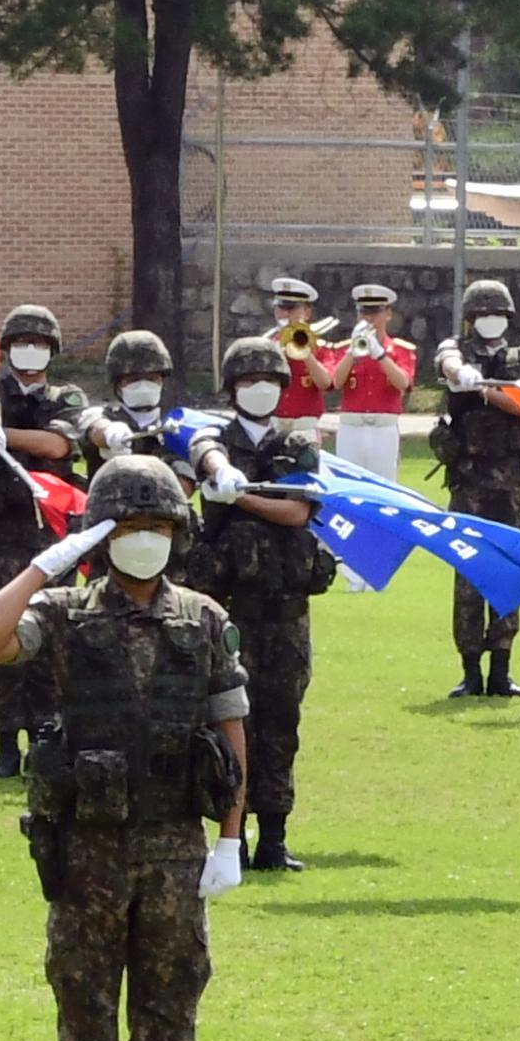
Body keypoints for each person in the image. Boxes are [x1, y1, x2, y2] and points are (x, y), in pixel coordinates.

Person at [0, 455, 250, 1041]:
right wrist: (39, 566)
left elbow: (231, 731)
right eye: (129, 527)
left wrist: (231, 837)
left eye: (157, 526)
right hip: (86, 842)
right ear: (100, 535)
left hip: (171, 841)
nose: (145, 540)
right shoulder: (62, 613)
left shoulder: (203, 618)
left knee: (171, 997)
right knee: (84, 997)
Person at [185, 337, 328, 872]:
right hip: (231, 612)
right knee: (228, 724)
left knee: (281, 726)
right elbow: (203, 449)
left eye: (267, 380)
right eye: (247, 382)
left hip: (287, 614)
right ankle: (231, 836)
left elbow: (297, 513)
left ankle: (274, 836)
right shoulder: (215, 437)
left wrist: (241, 497)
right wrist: (220, 472)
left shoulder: (298, 445)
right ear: (232, 388)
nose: (259, 389)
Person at [0, 305, 89, 778]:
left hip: (50, 536)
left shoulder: (67, 395)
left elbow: (59, 445)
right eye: (21, 341)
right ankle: (4, 742)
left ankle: (45, 735)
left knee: (51, 634)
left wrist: (2, 434)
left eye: (38, 343)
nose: (29, 350)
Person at [429, 279, 520, 698]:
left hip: (509, 481)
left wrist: (481, 388)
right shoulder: (459, 349)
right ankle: (470, 670)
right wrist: (460, 371)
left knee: (507, 571)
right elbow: (446, 359)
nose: (488, 320)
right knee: (469, 574)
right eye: (481, 314)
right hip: (468, 480)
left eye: (495, 313)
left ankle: (501, 668)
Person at [328, 282, 415, 486]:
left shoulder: (401, 350)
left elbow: (403, 383)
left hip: (383, 428)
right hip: (352, 427)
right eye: (363, 312)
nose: (368, 318)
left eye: (375, 312)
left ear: (388, 314)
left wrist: (380, 354)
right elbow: (335, 381)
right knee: (347, 484)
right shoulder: (344, 349)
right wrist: (351, 351)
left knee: (384, 485)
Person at [76, 329, 179, 469]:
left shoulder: (175, 424)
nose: (143, 386)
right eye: (133, 379)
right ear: (117, 384)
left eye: (151, 379)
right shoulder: (98, 416)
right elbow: (94, 428)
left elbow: (184, 479)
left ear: (162, 381)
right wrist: (111, 434)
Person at [264, 276, 336, 423]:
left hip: (305, 425)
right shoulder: (265, 344)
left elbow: (326, 384)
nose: (285, 314)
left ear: (307, 313)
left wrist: (306, 354)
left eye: (291, 308)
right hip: (272, 423)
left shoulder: (320, 347)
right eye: (280, 307)